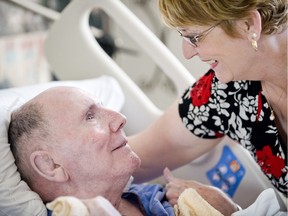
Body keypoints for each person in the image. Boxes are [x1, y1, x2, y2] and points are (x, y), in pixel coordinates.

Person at [128, 0, 287, 213]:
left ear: (248, 24)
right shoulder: (228, 91)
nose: (187, 52)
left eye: (194, 37)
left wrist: (233, 213)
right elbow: (137, 159)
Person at [8, 86, 238, 216]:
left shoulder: (157, 199)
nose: (120, 118)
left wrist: (231, 210)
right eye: (90, 117)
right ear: (51, 165)